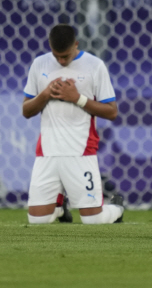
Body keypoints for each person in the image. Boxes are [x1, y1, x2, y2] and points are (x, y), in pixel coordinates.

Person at [22, 24, 124, 225]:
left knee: (93, 220)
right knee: (37, 221)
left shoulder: (94, 65)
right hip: (47, 152)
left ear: (76, 45)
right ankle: (59, 208)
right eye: (56, 56)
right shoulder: (40, 64)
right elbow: (26, 111)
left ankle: (117, 207)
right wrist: (45, 94)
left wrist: (77, 98)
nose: (61, 61)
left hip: (81, 151)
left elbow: (112, 112)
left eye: (65, 56)